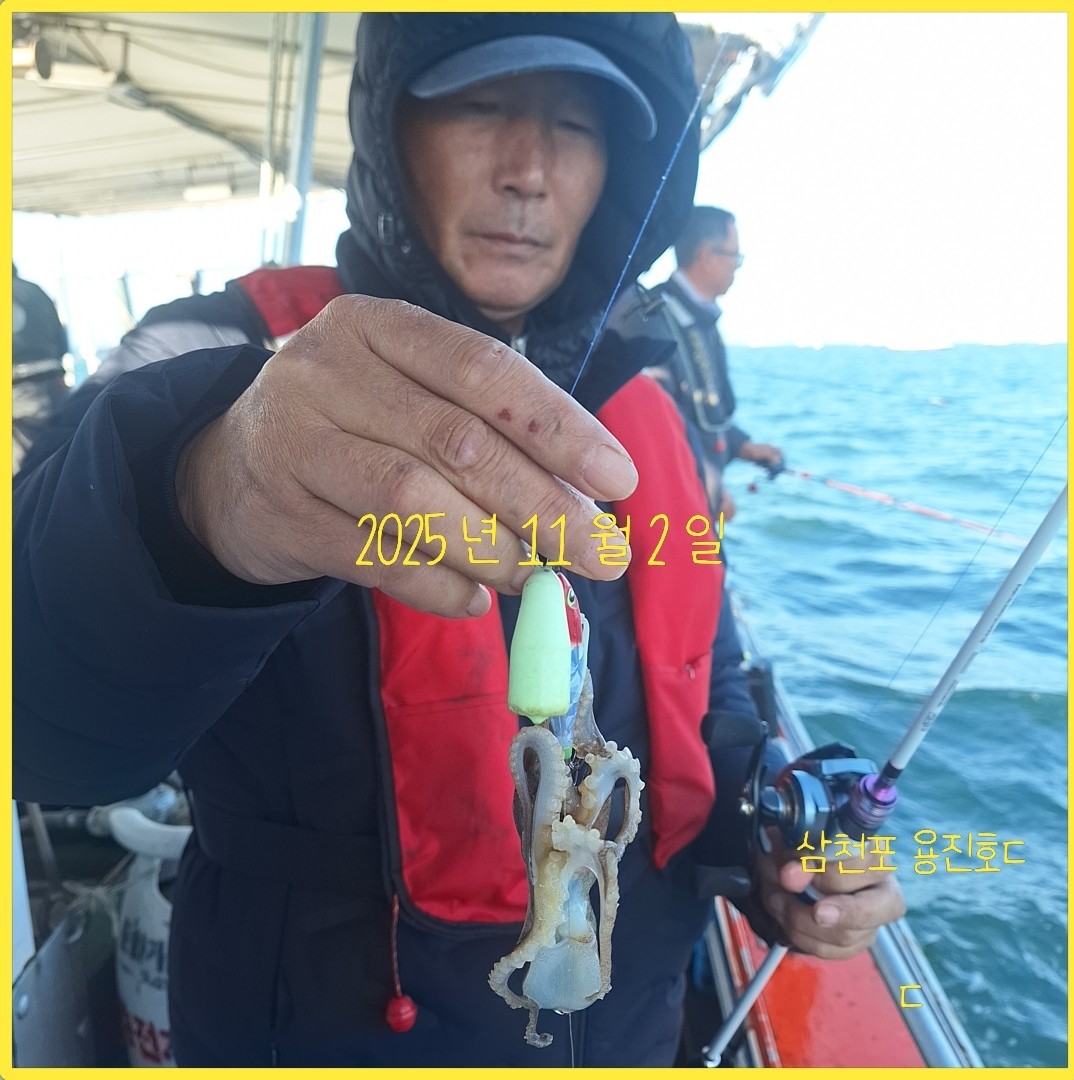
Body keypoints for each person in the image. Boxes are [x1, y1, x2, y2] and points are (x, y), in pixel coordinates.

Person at [13, 13, 902, 1067]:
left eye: (577, 126)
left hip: (630, 1021)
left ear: (622, 173)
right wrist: (200, 497)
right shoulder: (212, 352)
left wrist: (776, 825)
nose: (528, 170)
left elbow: (711, 682)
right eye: (481, 106)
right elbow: (40, 721)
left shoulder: (655, 407)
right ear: (391, 131)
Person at [651, 205, 784, 521]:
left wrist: (744, 446)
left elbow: (701, 413)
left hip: (697, 501)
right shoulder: (653, 319)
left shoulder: (701, 319)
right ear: (706, 255)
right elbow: (658, 426)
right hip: (673, 511)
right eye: (734, 255)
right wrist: (710, 490)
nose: (737, 266)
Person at [12, 264, 69, 472]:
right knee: (63, 453)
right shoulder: (36, 291)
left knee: (23, 470)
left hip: (16, 389)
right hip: (53, 382)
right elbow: (62, 341)